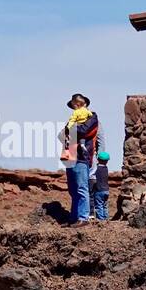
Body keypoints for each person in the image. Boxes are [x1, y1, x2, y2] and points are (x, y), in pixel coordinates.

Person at [61, 92, 99, 224]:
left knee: (81, 187)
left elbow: (83, 130)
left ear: (85, 104)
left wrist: (71, 129)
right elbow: (62, 135)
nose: (75, 108)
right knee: (73, 189)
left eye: (77, 104)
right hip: (70, 157)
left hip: (82, 157)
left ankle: (83, 217)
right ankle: (74, 218)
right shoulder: (73, 119)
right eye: (74, 106)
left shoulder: (92, 117)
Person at [90, 151, 111, 221]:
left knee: (99, 205)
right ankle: (106, 218)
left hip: (99, 190)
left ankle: (101, 220)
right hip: (106, 190)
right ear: (107, 161)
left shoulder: (97, 169)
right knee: (105, 205)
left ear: (98, 159)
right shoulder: (106, 168)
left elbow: (92, 175)